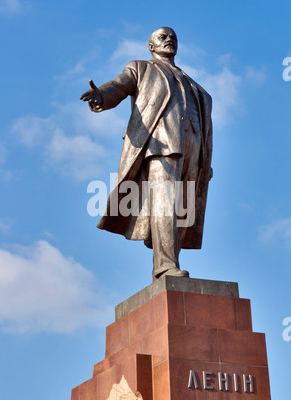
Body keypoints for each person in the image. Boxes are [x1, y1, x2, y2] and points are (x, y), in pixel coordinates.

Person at [80, 27, 213, 280]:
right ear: (151, 47)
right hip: (161, 144)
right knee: (163, 201)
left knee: (181, 209)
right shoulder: (140, 68)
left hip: (193, 148)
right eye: (162, 37)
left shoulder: (193, 84)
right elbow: (118, 85)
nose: (169, 39)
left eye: (173, 36)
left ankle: (168, 259)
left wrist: (206, 160)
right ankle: (165, 266)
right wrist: (100, 96)